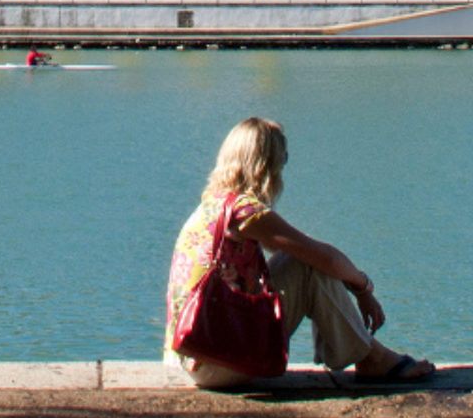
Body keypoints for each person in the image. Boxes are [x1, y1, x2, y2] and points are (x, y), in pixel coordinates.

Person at [166, 117, 434, 389]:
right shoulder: (244, 213)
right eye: (283, 160)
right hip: (218, 364)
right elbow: (325, 258)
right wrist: (363, 288)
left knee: (300, 259)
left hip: (197, 354)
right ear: (267, 166)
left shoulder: (215, 204)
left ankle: (365, 353)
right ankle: (372, 357)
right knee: (309, 264)